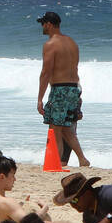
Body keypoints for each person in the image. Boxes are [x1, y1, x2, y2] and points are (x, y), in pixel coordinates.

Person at [37, 11, 89, 167]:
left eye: (43, 23)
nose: (42, 27)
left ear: (49, 24)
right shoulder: (72, 42)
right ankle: (82, 159)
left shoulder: (50, 44)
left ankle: (56, 162)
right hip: (74, 88)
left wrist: (40, 98)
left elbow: (46, 72)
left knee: (55, 128)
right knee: (66, 127)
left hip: (60, 89)